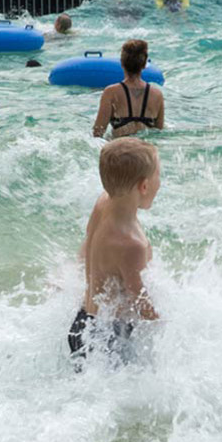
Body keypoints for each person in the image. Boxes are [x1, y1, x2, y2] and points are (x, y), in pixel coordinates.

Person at [68, 137, 161, 363]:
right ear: (144, 186)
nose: (160, 182)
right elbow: (141, 304)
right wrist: (171, 324)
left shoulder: (103, 202)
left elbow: (87, 243)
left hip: (83, 324)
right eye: (159, 176)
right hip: (109, 336)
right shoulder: (131, 245)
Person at [92, 39, 164, 138]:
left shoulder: (111, 92)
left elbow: (98, 132)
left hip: (120, 149)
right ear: (144, 65)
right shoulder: (157, 94)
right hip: (145, 150)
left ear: (122, 63)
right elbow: (159, 133)